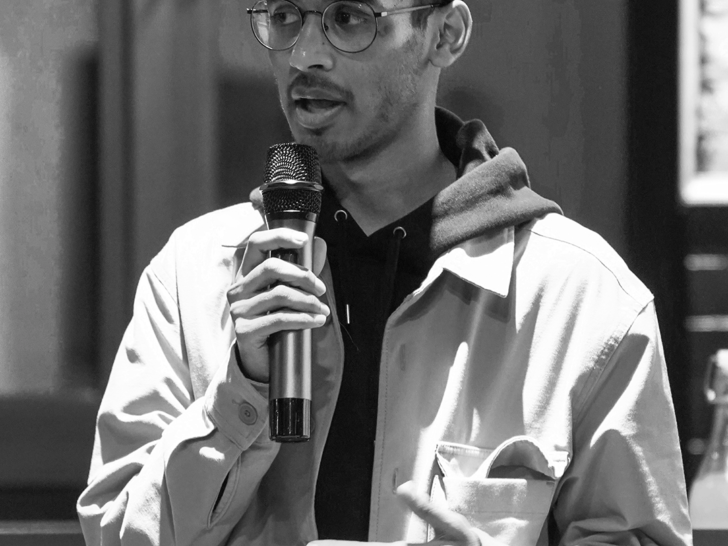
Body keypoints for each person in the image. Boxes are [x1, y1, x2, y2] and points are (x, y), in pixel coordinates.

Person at [77, 1, 692, 545]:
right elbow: (115, 533)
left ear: (444, 33)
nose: (305, 55)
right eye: (287, 16)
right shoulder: (192, 275)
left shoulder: (584, 299)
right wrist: (243, 388)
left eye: (350, 18)